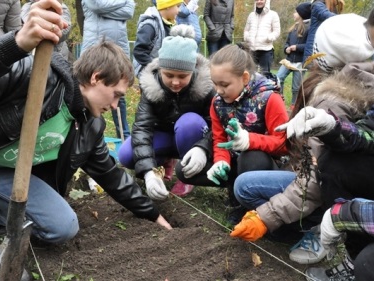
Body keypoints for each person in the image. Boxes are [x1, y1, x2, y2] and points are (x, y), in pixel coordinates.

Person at [0, 1, 172, 280]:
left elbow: (111, 176)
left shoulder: (90, 126)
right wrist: (14, 45)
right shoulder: (32, 76)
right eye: (116, 94)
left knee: (63, 227)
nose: (116, 105)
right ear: (96, 78)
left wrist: (153, 215)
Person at [231, 9, 374, 268]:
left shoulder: (332, 100)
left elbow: (316, 179)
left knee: (245, 187)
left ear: (326, 54)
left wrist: (265, 217)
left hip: (318, 190)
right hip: (322, 180)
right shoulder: (351, 85)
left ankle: (313, 227)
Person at [175, 43, 288, 224]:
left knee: (251, 157)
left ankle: (246, 205)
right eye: (215, 83)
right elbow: (219, 138)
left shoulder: (269, 99)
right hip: (235, 162)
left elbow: (284, 144)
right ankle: (234, 191)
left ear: (244, 78)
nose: (218, 90)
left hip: (263, 165)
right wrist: (221, 162)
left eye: (224, 84)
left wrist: (249, 141)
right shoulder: (218, 103)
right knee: (184, 170)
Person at [118, 24, 216, 198]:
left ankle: (187, 175)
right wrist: (148, 171)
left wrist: (202, 148)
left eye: (182, 76)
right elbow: (142, 128)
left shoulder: (206, 86)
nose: (175, 82)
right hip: (163, 134)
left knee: (189, 123)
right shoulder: (151, 86)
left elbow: (217, 124)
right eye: (169, 75)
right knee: (126, 155)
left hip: (192, 136)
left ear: (192, 72)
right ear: (160, 70)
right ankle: (164, 162)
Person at [80, 0, 135, 140]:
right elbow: (97, 6)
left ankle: (124, 136)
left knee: (117, 97)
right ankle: (87, 135)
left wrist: (107, 9)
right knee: (89, 96)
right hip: (96, 50)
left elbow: (130, 11)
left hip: (120, 50)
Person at [132, 0, 183, 77]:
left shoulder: (171, 24)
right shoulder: (150, 26)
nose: (180, 10)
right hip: (148, 73)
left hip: (162, 71)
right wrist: (158, 67)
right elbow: (139, 52)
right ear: (168, 6)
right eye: (178, 6)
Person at [277, 2, 310, 109]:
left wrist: (297, 47)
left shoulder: (310, 28)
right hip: (289, 60)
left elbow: (310, 45)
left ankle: (294, 104)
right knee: (279, 78)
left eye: (296, 12)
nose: (293, 14)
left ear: (302, 14)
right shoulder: (293, 28)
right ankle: (280, 98)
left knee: (296, 87)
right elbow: (287, 42)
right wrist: (286, 48)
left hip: (300, 62)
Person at [243, 0, 280, 76]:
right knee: (250, 74)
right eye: (257, 0)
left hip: (266, 50)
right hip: (252, 49)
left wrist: (268, 38)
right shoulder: (251, 15)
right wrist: (247, 37)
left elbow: (277, 32)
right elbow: (246, 30)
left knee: (265, 76)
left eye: (261, 0)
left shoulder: (273, 14)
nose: (259, 1)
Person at [302, 0, 343, 66]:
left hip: (323, 48)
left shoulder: (330, 8)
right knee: (318, 74)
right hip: (315, 50)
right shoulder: (318, 5)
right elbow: (329, 16)